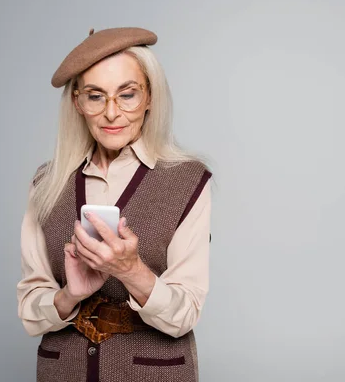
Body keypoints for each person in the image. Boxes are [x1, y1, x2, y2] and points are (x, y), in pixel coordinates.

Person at [16, 27, 212, 382]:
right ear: (78, 102)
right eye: (95, 96)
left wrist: (131, 270)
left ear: (149, 96)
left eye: (127, 94)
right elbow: (31, 311)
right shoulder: (45, 184)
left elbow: (185, 314)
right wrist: (69, 295)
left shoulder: (188, 181)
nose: (111, 112)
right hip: (63, 371)